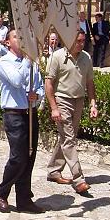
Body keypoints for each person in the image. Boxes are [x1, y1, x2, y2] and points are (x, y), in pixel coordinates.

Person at [0, 29, 45, 213]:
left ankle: (24, 198)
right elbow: (16, 80)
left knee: (30, 157)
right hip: (14, 114)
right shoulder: (4, 62)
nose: (22, 40)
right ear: (8, 42)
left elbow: (40, 86)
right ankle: (2, 192)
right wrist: (28, 59)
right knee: (18, 157)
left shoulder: (32, 63)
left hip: (30, 112)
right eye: (17, 37)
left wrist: (37, 96)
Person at [44, 29, 98, 197]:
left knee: (67, 137)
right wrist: (54, 107)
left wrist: (93, 104)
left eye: (83, 41)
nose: (81, 44)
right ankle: (78, 179)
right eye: (78, 41)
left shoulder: (86, 58)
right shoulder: (57, 57)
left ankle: (54, 170)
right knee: (69, 138)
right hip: (62, 100)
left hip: (79, 100)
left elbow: (90, 82)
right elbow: (49, 84)